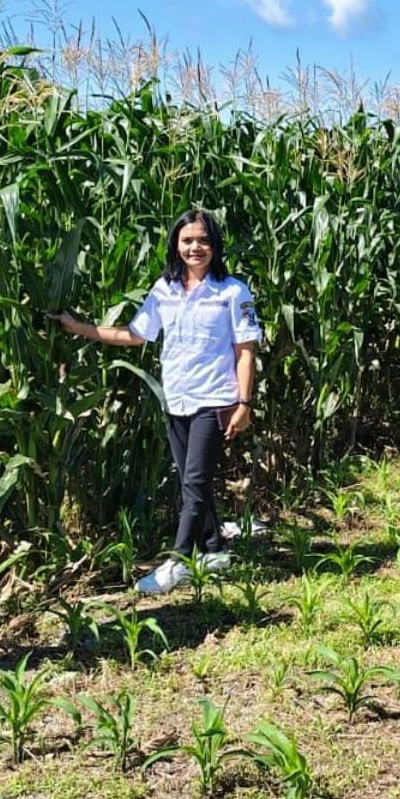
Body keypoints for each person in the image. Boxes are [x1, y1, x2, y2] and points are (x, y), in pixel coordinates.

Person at [55, 209, 260, 594]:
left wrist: (244, 404)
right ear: (175, 245)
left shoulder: (233, 292)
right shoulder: (164, 289)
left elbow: (246, 351)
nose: (195, 247)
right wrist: (80, 328)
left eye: (203, 240)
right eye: (187, 241)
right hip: (177, 397)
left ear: (215, 245)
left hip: (214, 398)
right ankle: (214, 549)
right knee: (190, 480)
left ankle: (180, 561)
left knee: (195, 483)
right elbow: (136, 335)